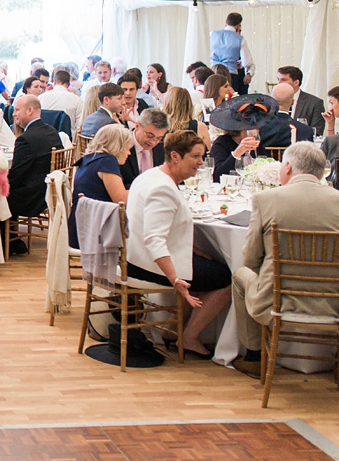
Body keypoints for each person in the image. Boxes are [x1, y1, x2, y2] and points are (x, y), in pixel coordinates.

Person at [230, 142, 339, 378]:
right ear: (322, 171)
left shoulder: (266, 199)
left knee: (240, 275)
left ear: (287, 167)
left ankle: (254, 357)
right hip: (332, 304)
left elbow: (250, 259)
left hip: (277, 301)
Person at [126, 130, 232, 358]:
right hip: (147, 266)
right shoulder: (162, 188)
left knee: (207, 264)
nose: (200, 162)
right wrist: (176, 279)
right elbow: (154, 239)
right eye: (195, 156)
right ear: (175, 156)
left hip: (135, 256)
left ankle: (173, 331)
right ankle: (191, 336)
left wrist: (194, 250)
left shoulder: (151, 175)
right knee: (226, 278)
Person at [5, 95, 62, 251]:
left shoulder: (26, 139)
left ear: (29, 110)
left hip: (32, 197)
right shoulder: (52, 131)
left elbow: (16, 175)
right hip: (49, 191)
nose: (14, 114)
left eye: (17, 110)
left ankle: (8, 242)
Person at [68, 124, 134, 250]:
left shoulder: (89, 159)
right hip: (94, 232)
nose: (129, 153)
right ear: (118, 147)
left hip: (80, 226)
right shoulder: (107, 162)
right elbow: (120, 199)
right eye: (127, 148)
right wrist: (143, 189)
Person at [258, 83, 315, 155]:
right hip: (293, 165)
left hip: (263, 165)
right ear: (292, 102)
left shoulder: (258, 128)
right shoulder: (305, 130)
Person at [118, 109, 169, 188]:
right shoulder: (121, 146)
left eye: (159, 138)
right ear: (137, 126)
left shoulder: (162, 148)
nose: (153, 142)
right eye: (150, 136)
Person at [209, 12, 254, 95]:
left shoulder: (212, 34)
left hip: (214, 72)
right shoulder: (240, 39)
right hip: (231, 74)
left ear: (226, 21)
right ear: (238, 25)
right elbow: (246, 62)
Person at [275, 65, 326, 135]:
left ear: (296, 82)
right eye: (278, 79)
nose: (278, 83)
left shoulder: (314, 103)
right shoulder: (272, 101)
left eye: (283, 80)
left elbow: (317, 132)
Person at [40, 68, 83, 134]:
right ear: (69, 84)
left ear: (54, 81)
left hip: (44, 138)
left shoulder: (41, 98)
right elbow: (79, 126)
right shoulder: (76, 100)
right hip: (68, 140)